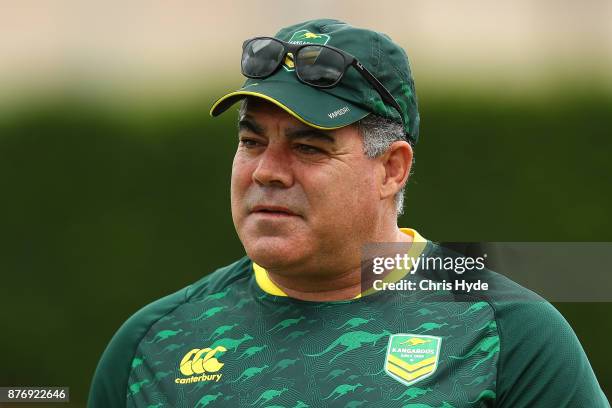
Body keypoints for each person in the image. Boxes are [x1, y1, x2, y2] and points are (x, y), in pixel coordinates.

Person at [88, 19, 609, 407]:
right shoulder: (151, 344)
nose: (267, 171)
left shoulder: (508, 333)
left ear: (392, 170)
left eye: (309, 148)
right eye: (251, 142)